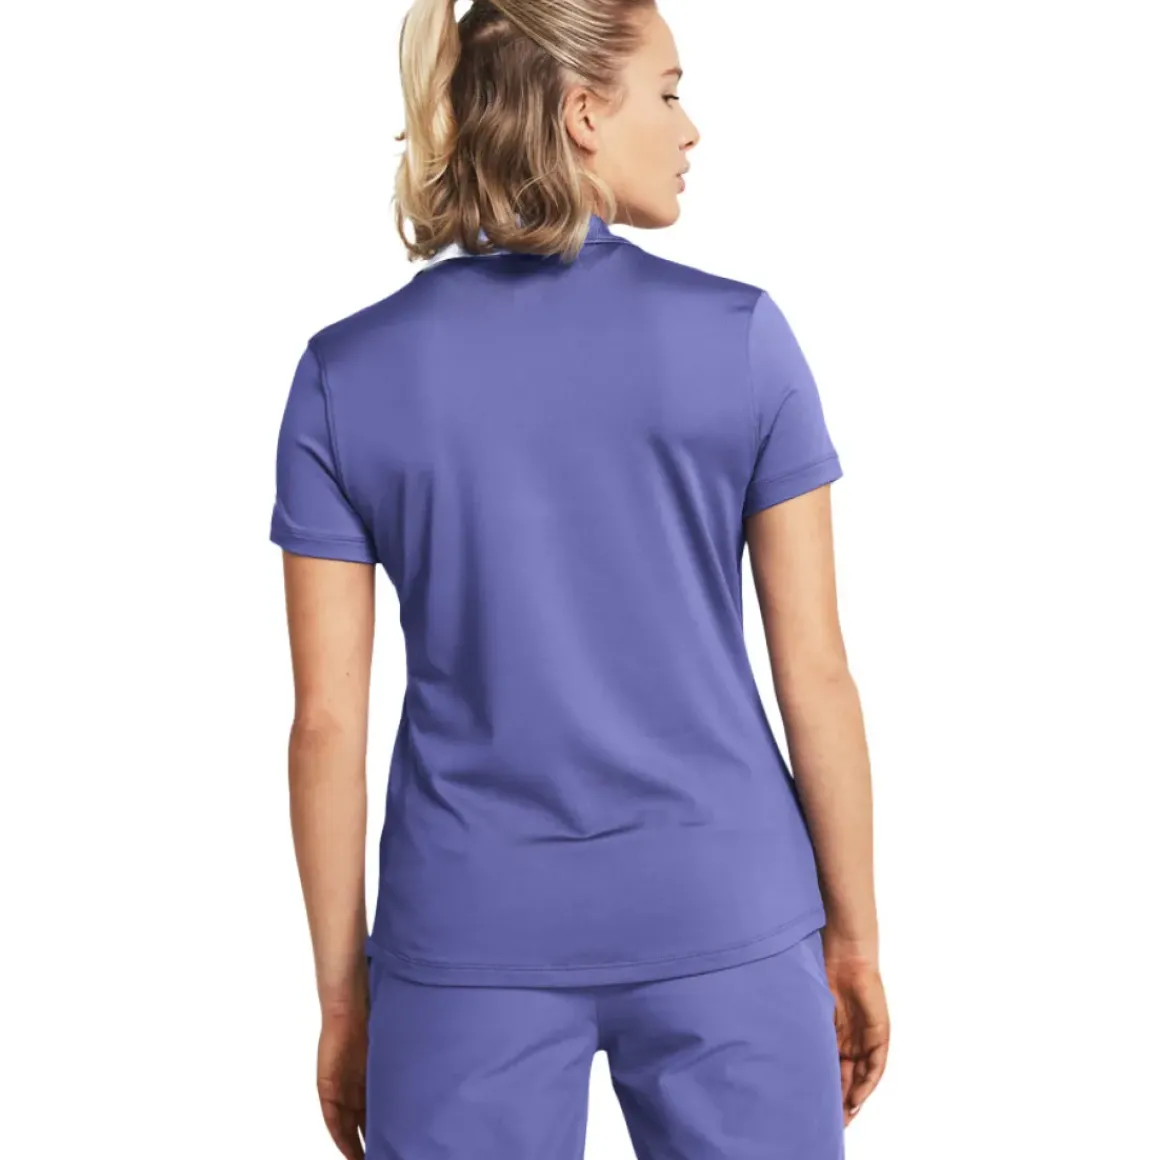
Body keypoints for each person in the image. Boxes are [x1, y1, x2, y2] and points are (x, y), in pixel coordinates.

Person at [268, 0, 889, 1156]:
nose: (689, 127)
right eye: (668, 90)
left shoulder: (343, 374)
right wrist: (851, 938)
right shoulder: (741, 338)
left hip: (466, 933)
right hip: (725, 906)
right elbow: (815, 672)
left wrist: (345, 997)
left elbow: (325, 723)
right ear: (581, 112)